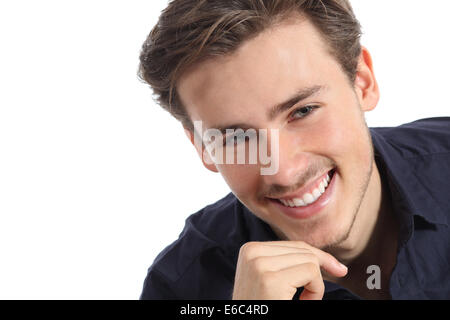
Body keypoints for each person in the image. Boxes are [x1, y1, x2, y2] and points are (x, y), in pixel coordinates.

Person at [137, 0, 450, 300]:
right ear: (203, 147)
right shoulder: (180, 287)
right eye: (236, 138)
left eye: (303, 111)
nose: (284, 172)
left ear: (362, 82)